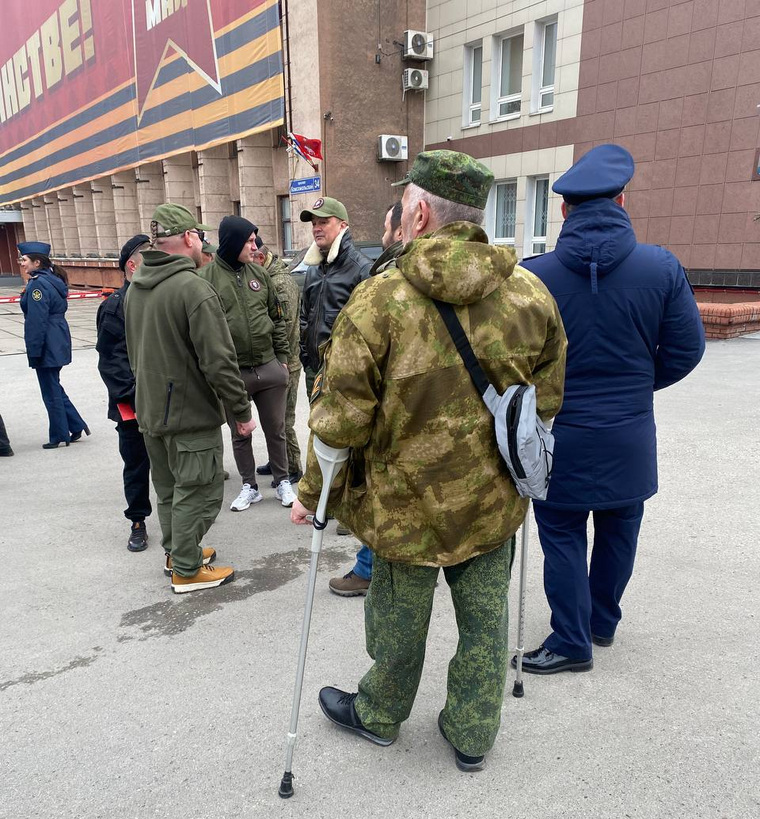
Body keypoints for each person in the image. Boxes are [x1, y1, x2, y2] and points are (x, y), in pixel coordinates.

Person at [291, 150, 566, 771]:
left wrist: (314, 495)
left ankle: (380, 714)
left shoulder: (377, 300)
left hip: (403, 505)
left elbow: (339, 420)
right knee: (486, 621)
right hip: (492, 501)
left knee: (396, 621)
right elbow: (545, 402)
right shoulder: (530, 292)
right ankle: (472, 733)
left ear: (417, 214)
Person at [516, 144, 705, 674]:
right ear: (623, 200)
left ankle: (572, 639)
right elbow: (688, 351)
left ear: (562, 210)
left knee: (561, 534)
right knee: (621, 528)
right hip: (629, 434)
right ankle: (601, 622)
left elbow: (513, 361)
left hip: (562, 433)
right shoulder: (661, 267)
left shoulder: (534, 276)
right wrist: (639, 386)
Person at [124, 204, 257, 593]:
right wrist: (240, 411)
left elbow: (134, 352)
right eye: (198, 235)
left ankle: (176, 552)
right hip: (188, 413)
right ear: (187, 238)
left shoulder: (136, 287)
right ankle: (185, 567)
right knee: (199, 490)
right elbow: (219, 360)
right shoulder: (193, 287)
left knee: (168, 490)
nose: (202, 242)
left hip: (150, 410)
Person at [327, 201, 404, 597]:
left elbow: (345, 407)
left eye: (388, 226)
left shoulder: (378, 287)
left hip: (396, 446)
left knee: (383, 503)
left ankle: (368, 567)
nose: (385, 234)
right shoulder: (520, 286)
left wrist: (314, 492)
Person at [198, 217, 296, 510]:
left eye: (255, 240)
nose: (255, 247)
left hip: (268, 366)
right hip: (234, 372)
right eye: (249, 241)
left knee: (275, 429)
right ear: (232, 242)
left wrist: (281, 360)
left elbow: (277, 318)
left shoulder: (260, 275)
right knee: (241, 432)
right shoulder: (206, 279)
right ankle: (249, 485)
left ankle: (282, 482)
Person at [96, 234, 153, 552]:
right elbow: (111, 362)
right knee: (136, 463)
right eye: (148, 257)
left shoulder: (156, 298)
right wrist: (136, 397)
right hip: (131, 404)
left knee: (169, 465)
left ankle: (177, 522)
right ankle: (137, 520)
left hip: (163, 400)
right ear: (132, 266)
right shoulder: (116, 306)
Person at [18, 241, 89, 449]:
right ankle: (75, 425)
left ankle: (59, 435)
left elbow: (37, 322)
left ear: (37, 262)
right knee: (54, 386)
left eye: (24, 260)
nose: (22, 263)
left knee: (50, 391)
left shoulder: (38, 284)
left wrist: (34, 350)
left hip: (47, 341)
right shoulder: (50, 279)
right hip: (56, 338)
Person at [298, 197, 372, 397]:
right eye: (314, 224)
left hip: (347, 377)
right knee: (315, 427)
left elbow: (373, 329)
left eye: (323, 222)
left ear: (342, 225)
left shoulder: (361, 269)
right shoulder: (313, 270)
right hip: (314, 372)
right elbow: (304, 316)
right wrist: (307, 360)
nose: (316, 228)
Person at [253, 237, 304, 485]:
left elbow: (283, 325)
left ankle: (293, 466)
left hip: (289, 363)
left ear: (261, 259)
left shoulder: (281, 284)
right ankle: (277, 462)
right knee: (274, 419)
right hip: (279, 362)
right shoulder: (269, 280)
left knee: (285, 420)